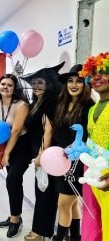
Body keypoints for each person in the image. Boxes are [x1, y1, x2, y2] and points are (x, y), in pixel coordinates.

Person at [22, 62, 64, 241]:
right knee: (42, 192)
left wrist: (42, 155)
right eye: (34, 83)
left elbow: (48, 131)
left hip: (47, 156)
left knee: (45, 195)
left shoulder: (49, 103)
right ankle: (42, 231)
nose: (36, 86)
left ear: (49, 84)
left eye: (40, 82)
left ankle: (39, 232)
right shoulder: (37, 102)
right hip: (40, 155)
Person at [51, 64, 94, 241]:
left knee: (63, 203)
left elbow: (88, 137)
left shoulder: (88, 106)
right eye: (70, 81)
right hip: (61, 160)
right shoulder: (62, 104)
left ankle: (59, 238)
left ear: (86, 84)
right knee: (73, 202)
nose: (74, 85)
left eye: (79, 81)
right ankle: (76, 237)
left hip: (77, 161)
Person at [0, 74, 31, 238]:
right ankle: (15, 215)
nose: (5, 87)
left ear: (15, 90)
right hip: (7, 145)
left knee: (12, 179)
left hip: (22, 146)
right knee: (15, 182)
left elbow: (15, 131)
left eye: (10, 85)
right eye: (3, 84)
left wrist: (5, 154)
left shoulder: (21, 105)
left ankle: (15, 221)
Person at [78, 52, 109, 241]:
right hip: (91, 171)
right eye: (93, 73)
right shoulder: (91, 108)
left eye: (104, 72)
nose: (97, 77)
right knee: (91, 217)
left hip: (107, 173)